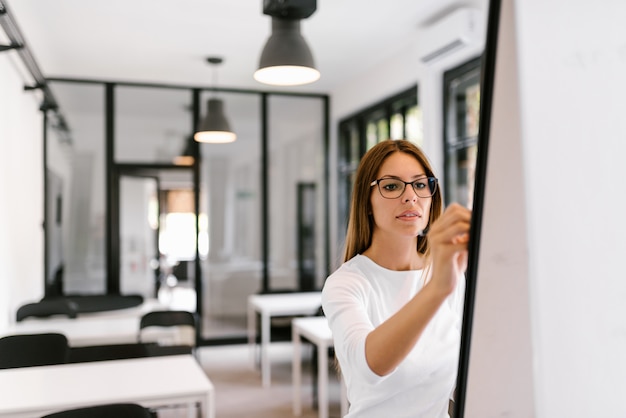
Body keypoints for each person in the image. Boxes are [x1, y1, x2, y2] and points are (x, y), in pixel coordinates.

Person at [321, 139, 471, 417]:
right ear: (366, 201)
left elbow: (463, 379)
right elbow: (370, 367)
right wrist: (438, 286)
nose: (410, 196)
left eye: (420, 184)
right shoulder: (346, 284)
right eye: (391, 186)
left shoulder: (448, 276)